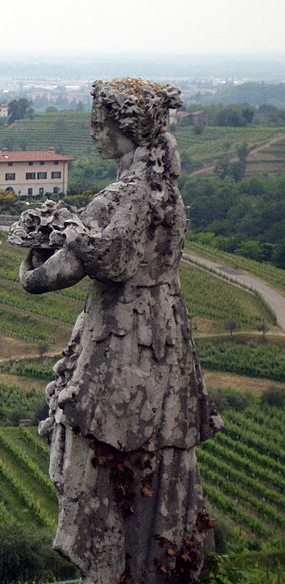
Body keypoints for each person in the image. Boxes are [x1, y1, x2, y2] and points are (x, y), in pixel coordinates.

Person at [16, 78, 223, 583]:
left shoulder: (125, 196)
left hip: (123, 341)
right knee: (156, 453)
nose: (93, 134)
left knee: (99, 452)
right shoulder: (166, 192)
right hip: (166, 332)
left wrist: (32, 260)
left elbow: (77, 267)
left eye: (98, 123)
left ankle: (113, 568)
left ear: (121, 128)